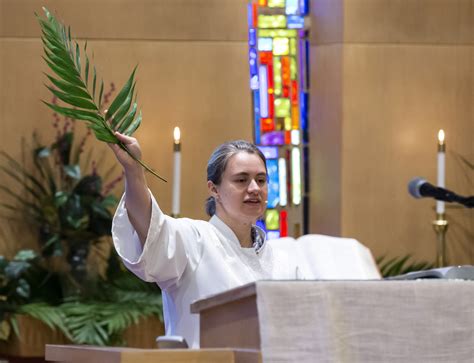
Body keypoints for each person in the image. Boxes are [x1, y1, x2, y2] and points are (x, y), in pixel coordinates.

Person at [109, 132, 298, 348]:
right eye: (241, 180)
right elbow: (150, 228)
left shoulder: (285, 265)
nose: (255, 188)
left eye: (261, 180)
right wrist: (134, 171)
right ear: (214, 189)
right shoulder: (193, 239)